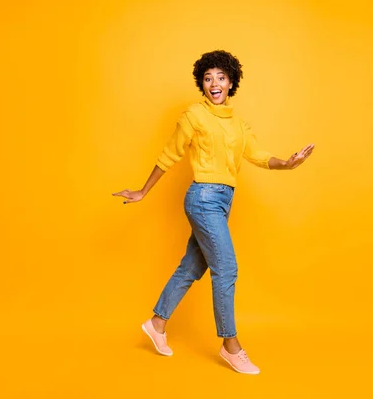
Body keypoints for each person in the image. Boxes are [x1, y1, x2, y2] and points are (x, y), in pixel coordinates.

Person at [113, 50, 315, 374]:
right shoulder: (194, 115)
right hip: (203, 198)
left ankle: (157, 323)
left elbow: (259, 154)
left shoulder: (238, 124)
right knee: (227, 269)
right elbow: (169, 154)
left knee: (191, 267)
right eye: (208, 78)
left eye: (220, 77)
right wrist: (143, 190)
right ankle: (230, 345)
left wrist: (287, 163)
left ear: (231, 82)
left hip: (222, 202)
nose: (214, 83)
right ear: (202, 85)